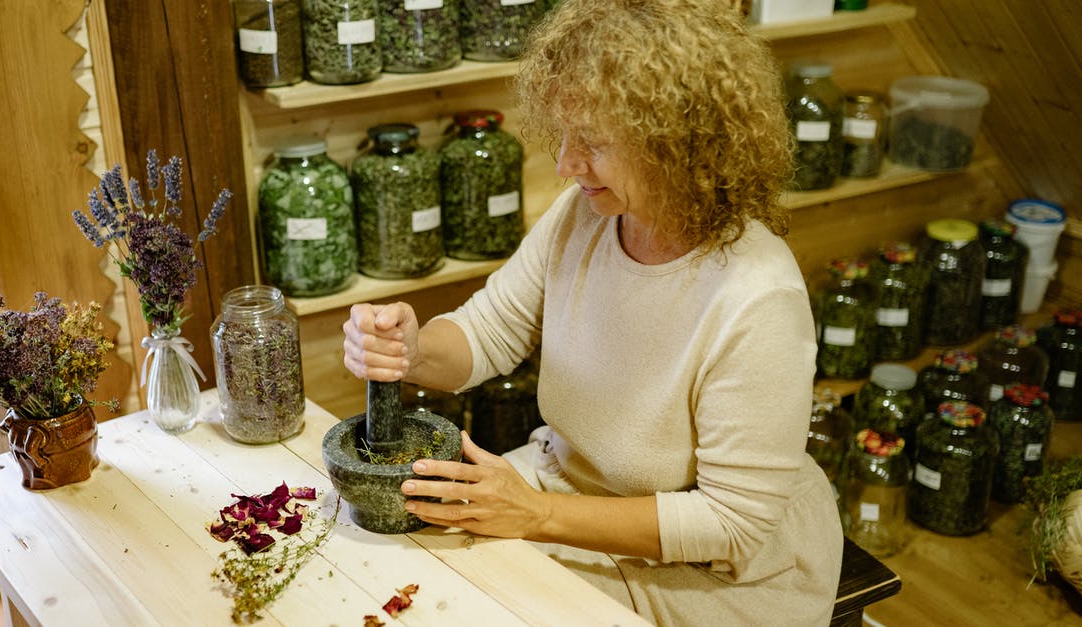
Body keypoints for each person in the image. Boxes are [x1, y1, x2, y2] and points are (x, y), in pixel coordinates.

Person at [341, 0, 843, 624]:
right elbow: (489, 330)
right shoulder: (587, 214)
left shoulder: (757, 296)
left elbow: (729, 524)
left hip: (705, 570)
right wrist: (411, 351)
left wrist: (536, 515)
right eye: (564, 136)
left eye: (594, 144)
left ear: (678, 147)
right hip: (565, 492)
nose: (565, 166)